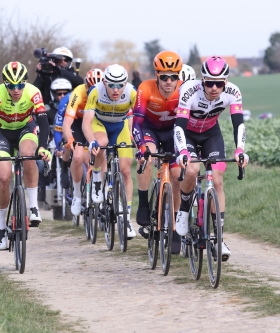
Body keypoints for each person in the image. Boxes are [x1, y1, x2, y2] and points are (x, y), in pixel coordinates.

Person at [173, 56, 248, 261]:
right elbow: (179, 125)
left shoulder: (233, 92)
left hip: (210, 135)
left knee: (217, 180)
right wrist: (183, 152)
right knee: (192, 170)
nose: (214, 88)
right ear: (202, 80)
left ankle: (219, 238)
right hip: (187, 134)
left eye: (219, 83)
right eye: (209, 83)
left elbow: (238, 124)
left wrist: (240, 149)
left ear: (226, 81)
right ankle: (184, 209)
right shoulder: (189, 91)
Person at [0, 61, 52, 250]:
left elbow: (43, 121)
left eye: (20, 85)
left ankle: (32, 206)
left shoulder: (33, 92)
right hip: (2, 133)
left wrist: (43, 147)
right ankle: (0, 227)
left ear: (25, 83)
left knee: (29, 154)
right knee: (4, 177)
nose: (16, 90)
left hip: (25, 128)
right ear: (5, 84)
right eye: (11, 86)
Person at [132, 51, 183, 249]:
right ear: (157, 75)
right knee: (146, 157)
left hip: (172, 133)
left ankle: (177, 226)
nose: (169, 81)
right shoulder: (145, 88)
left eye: (174, 77)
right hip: (149, 130)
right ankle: (144, 204)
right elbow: (136, 123)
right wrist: (141, 147)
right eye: (164, 77)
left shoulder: (183, 90)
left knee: (178, 176)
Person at [82, 64, 137, 238]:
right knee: (101, 144)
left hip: (120, 128)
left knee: (126, 171)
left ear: (126, 83)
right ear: (104, 82)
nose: (115, 89)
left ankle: (126, 219)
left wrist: (139, 139)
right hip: (100, 124)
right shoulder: (96, 91)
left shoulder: (132, 92)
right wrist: (91, 141)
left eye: (120, 85)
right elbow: (86, 122)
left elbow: (139, 118)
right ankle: (97, 178)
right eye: (111, 85)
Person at [54, 68, 104, 216]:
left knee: (100, 152)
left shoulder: (105, 95)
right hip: (76, 124)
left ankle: (101, 188)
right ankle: (76, 195)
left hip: (94, 123)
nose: (94, 91)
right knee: (77, 156)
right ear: (86, 86)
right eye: (91, 88)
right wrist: (69, 141)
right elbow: (65, 125)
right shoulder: (76, 94)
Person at [37, 78, 72, 205]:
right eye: (59, 93)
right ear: (53, 94)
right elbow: (40, 124)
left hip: (69, 140)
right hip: (50, 141)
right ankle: (42, 187)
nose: (62, 96)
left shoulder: (73, 108)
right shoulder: (45, 109)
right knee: (41, 163)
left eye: (65, 93)